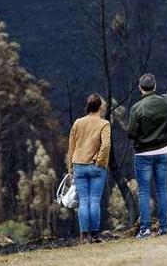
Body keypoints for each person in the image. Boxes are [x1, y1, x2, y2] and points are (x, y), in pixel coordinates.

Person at [127, 73, 167, 239]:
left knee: (144, 191)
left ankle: (146, 229)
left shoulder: (137, 108)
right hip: (162, 151)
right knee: (162, 190)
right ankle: (164, 228)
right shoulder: (163, 102)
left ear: (140, 88)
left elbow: (131, 133)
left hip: (143, 154)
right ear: (154, 87)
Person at [66, 93, 111, 244]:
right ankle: (95, 235)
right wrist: (99, 161)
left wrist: (70, 167)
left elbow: (71, 146)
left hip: (79, 165)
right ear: (100, 107)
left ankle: (84, 237)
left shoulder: (78, 123)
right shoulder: (104, 124)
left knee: (83, 202)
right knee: (94, 201)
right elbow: (106, 145)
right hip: (96, 167)